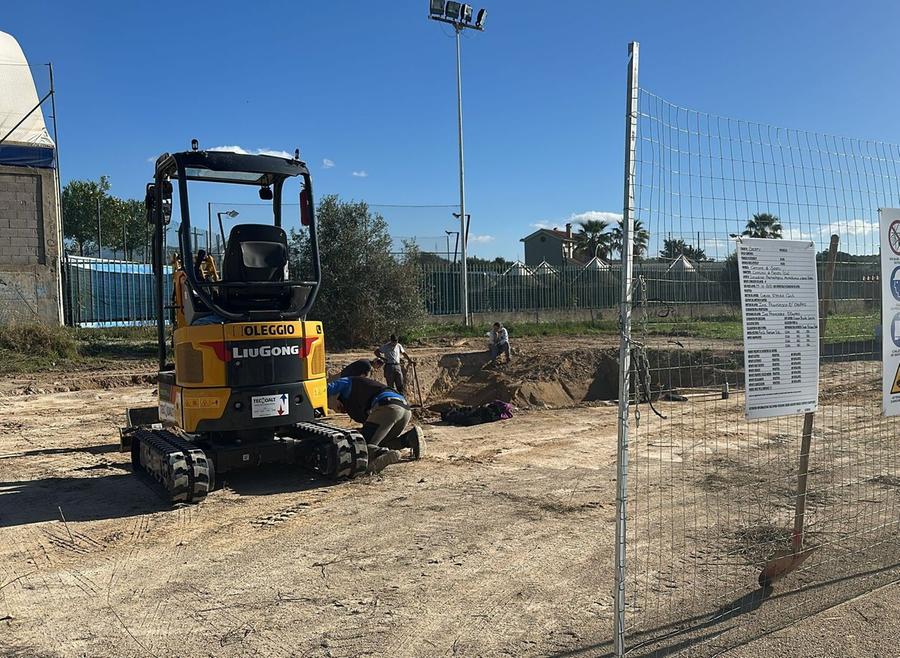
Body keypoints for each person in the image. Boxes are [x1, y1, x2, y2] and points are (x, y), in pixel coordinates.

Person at [327, 376, 425, 473]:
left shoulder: (348, 382)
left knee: (361, 446)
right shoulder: (360, 399)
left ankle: (380, 453)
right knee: (380, 442)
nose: (341, 410)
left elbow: (325, 389)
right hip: (405, 410)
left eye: (338, 408)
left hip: (387, 406)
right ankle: (409, 438)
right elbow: (370, 424)